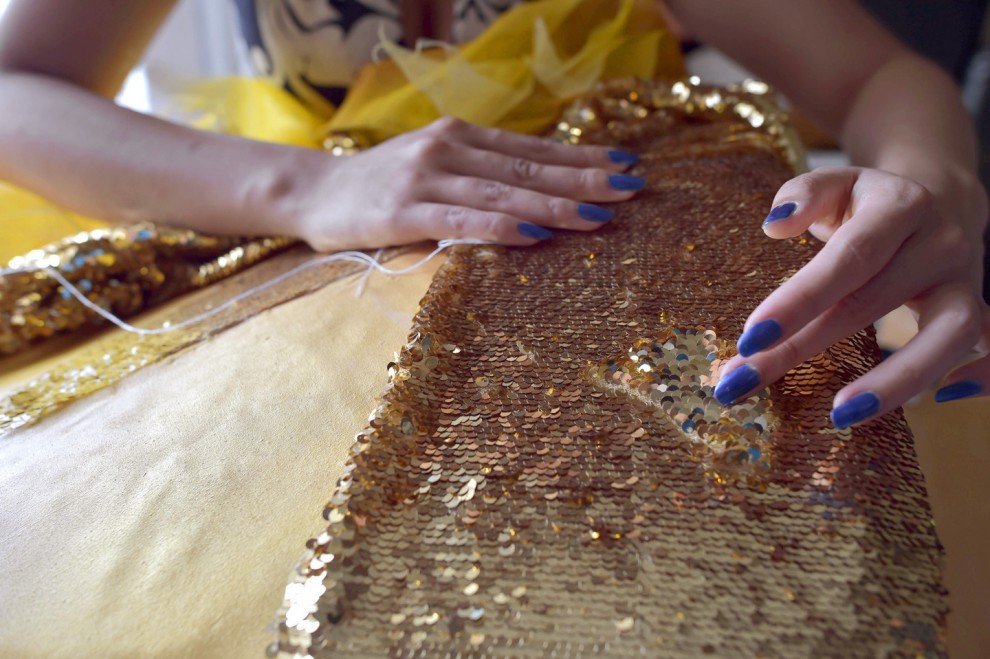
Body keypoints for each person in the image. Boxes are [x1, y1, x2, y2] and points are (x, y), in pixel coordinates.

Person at [0, 0, 986, 430]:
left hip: (624, 286)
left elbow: (876, 78)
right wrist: (304, 187)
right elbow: (16, 89)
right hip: (320, 256)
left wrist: (929, 185)